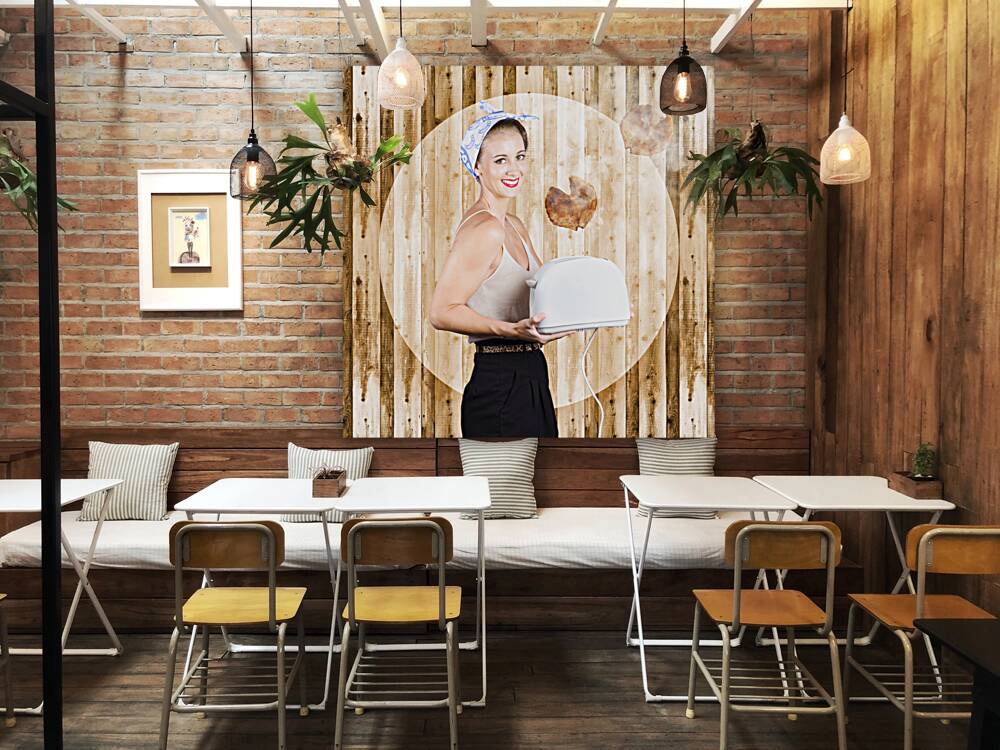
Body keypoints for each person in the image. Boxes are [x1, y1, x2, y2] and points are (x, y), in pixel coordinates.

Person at [430, 103, 573, 438]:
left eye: (520, 157)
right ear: (477, 166)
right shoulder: (486, 229)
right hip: (498, 382)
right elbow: (440, 312)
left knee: (542, 472)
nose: (514, 169)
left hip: (531, 374)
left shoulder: (514, 225)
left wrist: (597, 309)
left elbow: (538, 305)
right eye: (500, 160)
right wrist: (511, 331)